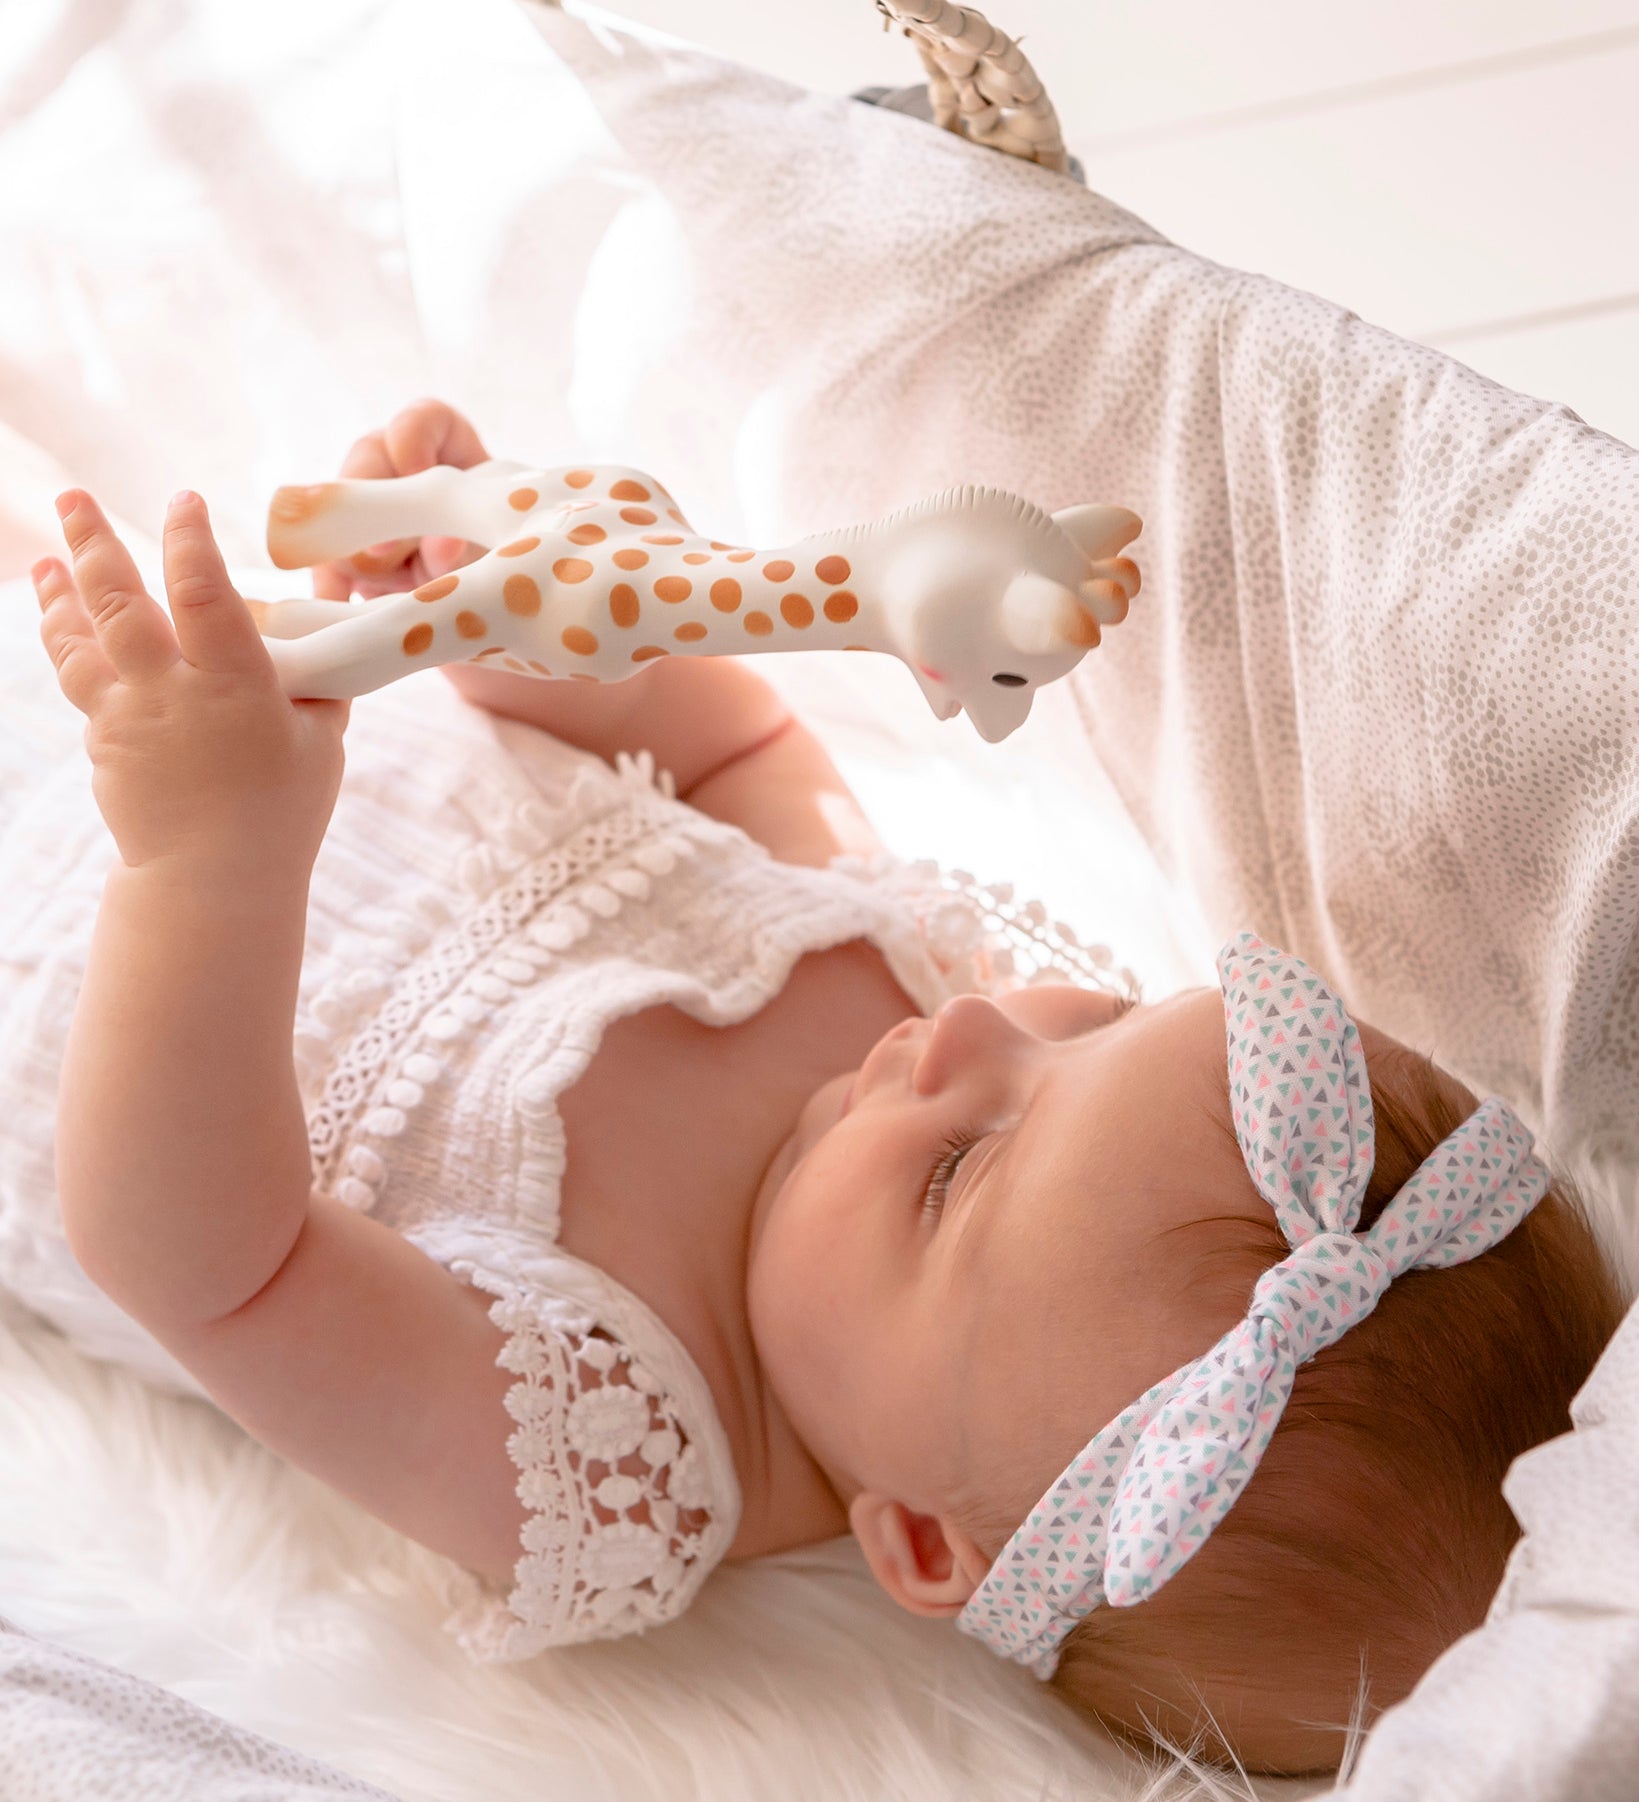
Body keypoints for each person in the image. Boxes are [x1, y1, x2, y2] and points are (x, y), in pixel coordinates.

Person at [6, 398, 1623, 1777]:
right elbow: (717, 746)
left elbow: (213, 1260)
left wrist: (212, 860)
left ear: (925, 1539)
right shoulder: (918, 989)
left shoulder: (608, 1453)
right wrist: (526, 625)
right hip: (182, 695)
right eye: (1092, 1027)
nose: (971, 1042)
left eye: (951, 1178)